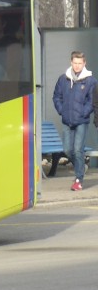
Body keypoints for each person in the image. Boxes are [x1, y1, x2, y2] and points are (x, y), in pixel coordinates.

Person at [52, 51, 96, 191]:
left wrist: (84, 112)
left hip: (82, 121)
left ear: (84, 63)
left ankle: (78, 179)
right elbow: (56, 97)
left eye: (80, 63)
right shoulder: (63, 79)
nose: (77, 66)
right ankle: (80, 166)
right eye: (75, 63)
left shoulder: (91, 81)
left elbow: (92, 101)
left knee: (78, 150)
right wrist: (62, 110)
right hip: (67, 120)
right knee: (67, 150)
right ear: (71, 62)